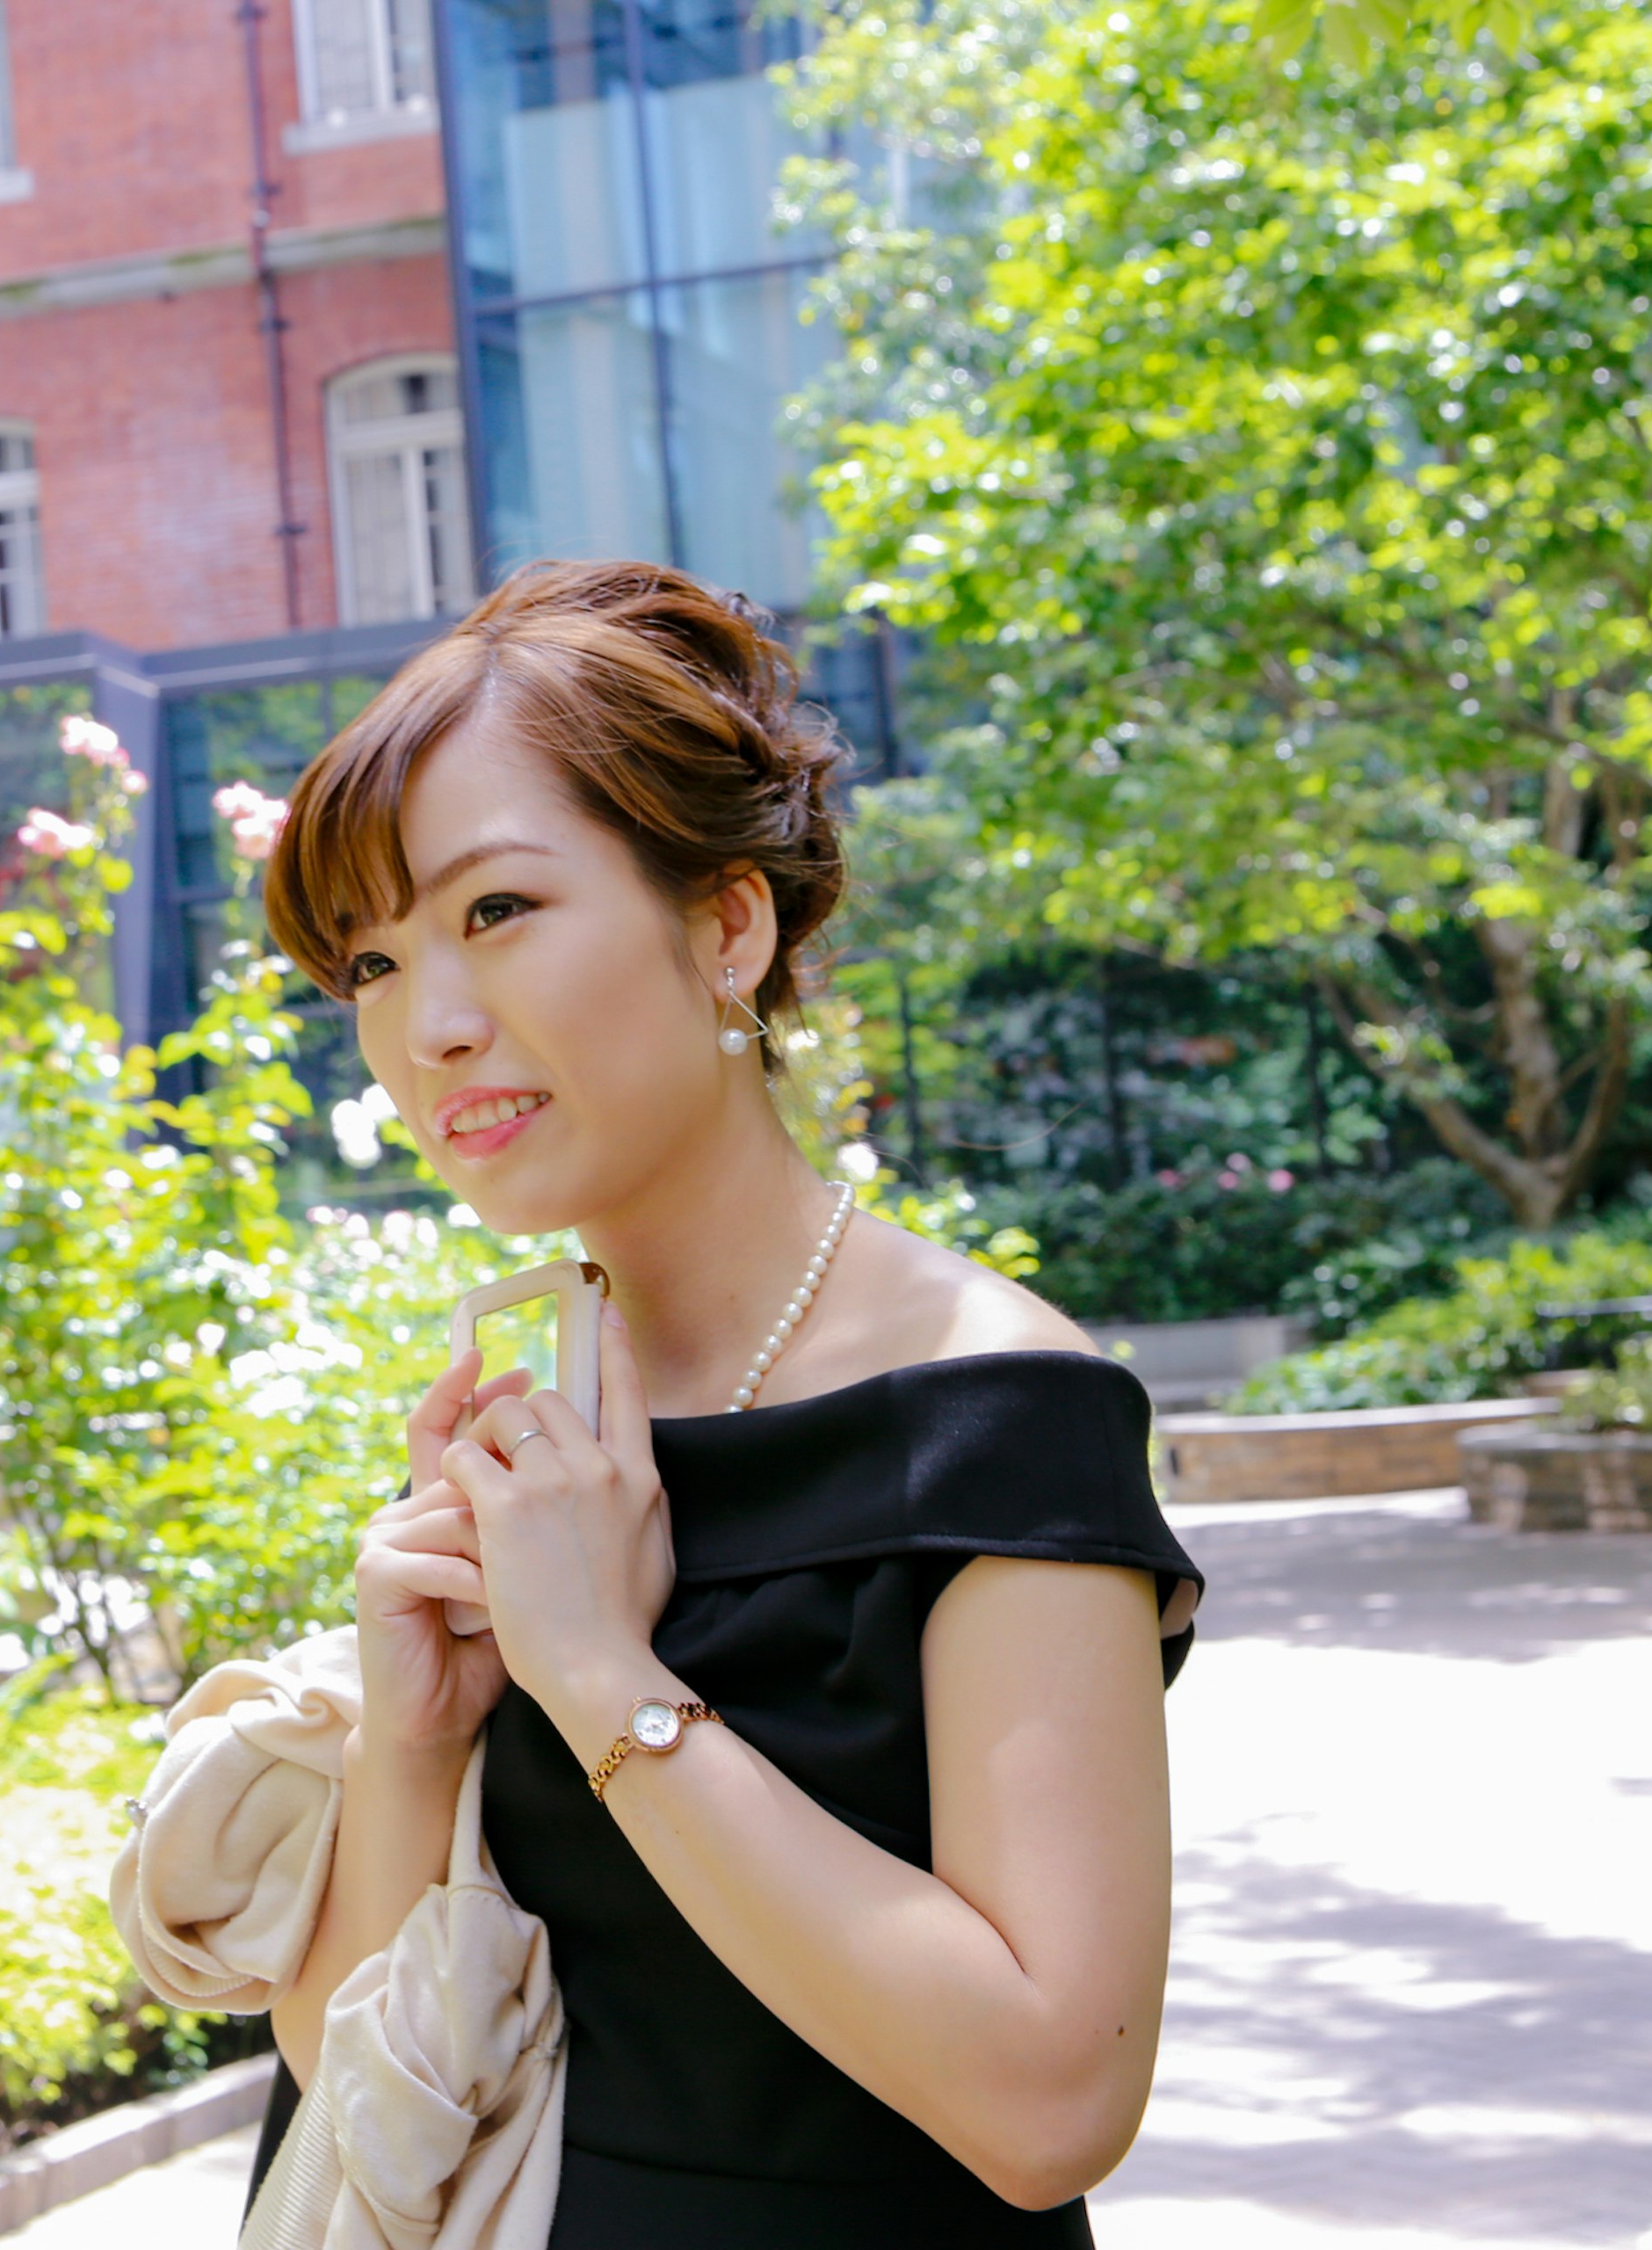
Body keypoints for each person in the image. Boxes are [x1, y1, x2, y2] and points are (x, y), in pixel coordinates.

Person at [247, 560, 1203, 2247]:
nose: (432, 1028)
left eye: (495, 913)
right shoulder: (533, 1399)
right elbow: (348, 2074)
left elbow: (1054, 2103)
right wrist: (422, 1732)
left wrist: (601, 1675)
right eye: (371, 965)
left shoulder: (993, 1411)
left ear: (727, 925)